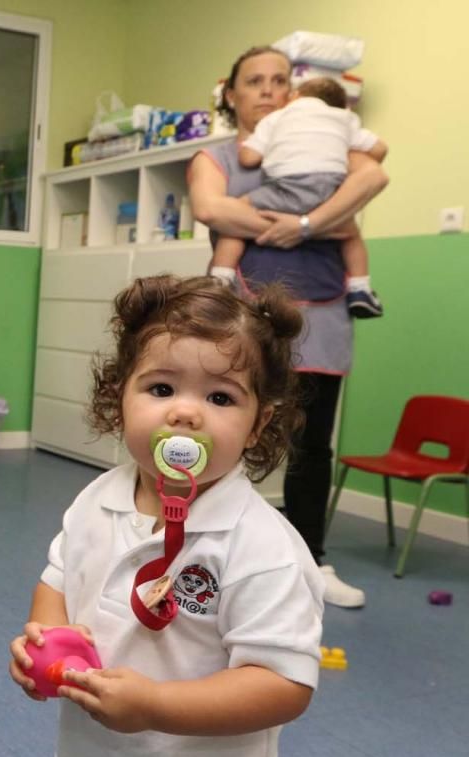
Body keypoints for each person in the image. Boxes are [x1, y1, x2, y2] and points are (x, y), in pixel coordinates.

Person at [9, 275, 324, 757]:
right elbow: (59, 579)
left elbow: (282, 685)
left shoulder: (264, 549)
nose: (185, 411)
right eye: (161, 388)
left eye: (221, 397)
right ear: (120, 396)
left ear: (256, 424)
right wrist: (45, 640)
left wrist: (156, 706)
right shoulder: (94, 500)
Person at [189, 46, 389, 608]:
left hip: (323, 310)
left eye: (280, 80)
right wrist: (322, 222)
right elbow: (212, 209)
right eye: (254, 81)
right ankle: (202, 549)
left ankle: (310, 562)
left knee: (311, 445)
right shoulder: (221, 156)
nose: (269, 90)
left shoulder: (328, 140)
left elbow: (373, 175)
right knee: (219, 433)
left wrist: (304, 224)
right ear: (231, 94)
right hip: (245, 311)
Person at [211, 77, 388, 318]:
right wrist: (335, 146)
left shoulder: (277, 118)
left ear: (295, 95)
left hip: (285, 188)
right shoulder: (344, 118)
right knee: (351, 235)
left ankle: (220, 280)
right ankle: (361, 290)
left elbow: (248, 158)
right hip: (327, 194)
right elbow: (380, 150)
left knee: (233, 222)